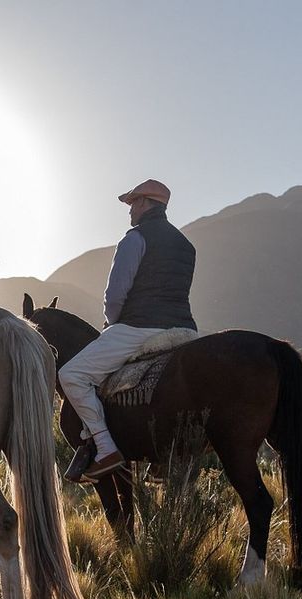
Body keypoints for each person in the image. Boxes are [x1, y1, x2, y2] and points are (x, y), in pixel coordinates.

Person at [59, 179, 197, 481]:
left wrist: (111, 325)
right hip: (185, 330)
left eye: (133, 202)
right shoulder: (186, 245)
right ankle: (163, 457)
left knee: (71, 375)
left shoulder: (134, 239)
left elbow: (115, 294)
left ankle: (106, 448)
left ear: (146, 203)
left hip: (139, 327)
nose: (130, 210)